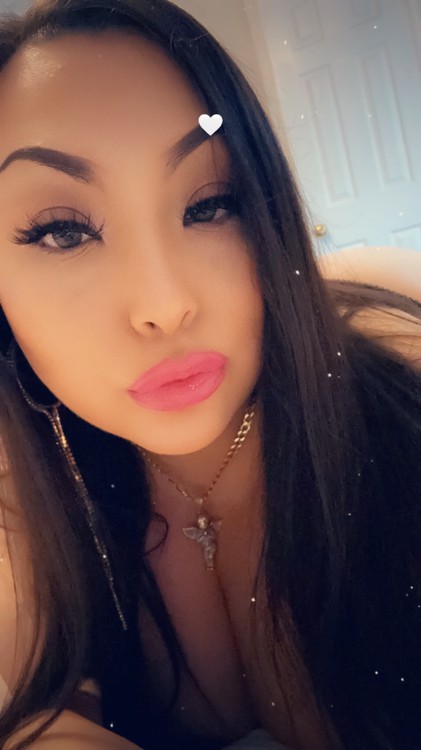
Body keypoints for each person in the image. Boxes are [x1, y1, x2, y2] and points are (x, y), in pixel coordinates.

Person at [0, 0, 420, 748]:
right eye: (62, 232)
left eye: (210, 205)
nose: (165, 306)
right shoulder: (24, 496)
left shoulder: (395, 387)